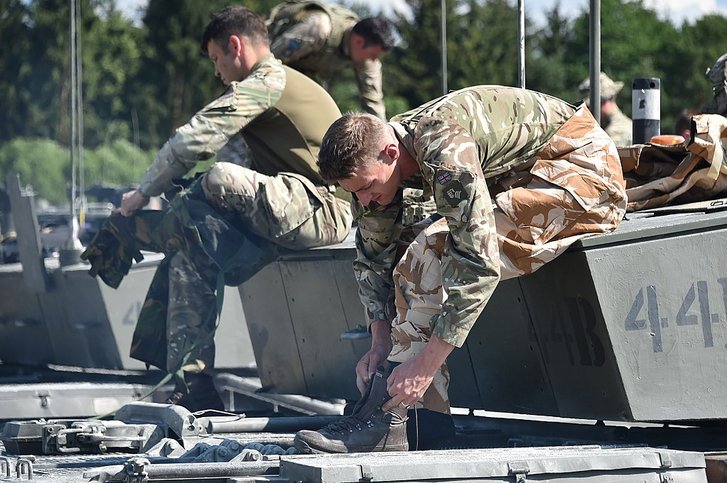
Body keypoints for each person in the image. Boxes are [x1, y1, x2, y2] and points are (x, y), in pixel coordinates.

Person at [293, 85, 628, 454]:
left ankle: (398, 414)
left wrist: (425, 364)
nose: (363, 199)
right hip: (527, 174)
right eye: (353, 193)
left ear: (391, 153)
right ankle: (423, 423)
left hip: (583, 172)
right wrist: (380, 339)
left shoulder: (442, 146)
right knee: (409, 248)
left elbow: (479, 261)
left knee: (431, 249)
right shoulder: (377, 165)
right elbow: (375, 257)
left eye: (368, 187)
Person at [114, 5, 352, 411]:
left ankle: (158, 225)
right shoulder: (266, 93)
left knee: (217, 179)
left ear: (235, 47)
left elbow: (198, 137)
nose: (216, 71)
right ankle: (192, 381)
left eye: (215, 59)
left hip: (326, 209)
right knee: (191, 245)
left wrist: (141, 194)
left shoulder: (268, 80)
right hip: (290, 209)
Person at [266, 0, 398, 120]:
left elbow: (373, 101)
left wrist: (383, 136)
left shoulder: (367, 55)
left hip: (300, 71)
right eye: (373, 56)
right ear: (359, 41)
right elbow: (268, 62)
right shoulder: (319, 28)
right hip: (270, 57)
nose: (374, 61)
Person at [579, 72, 633, 146]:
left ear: (610, 98)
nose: (589, 110)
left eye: (596, 104)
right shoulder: (597, 129)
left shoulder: (620, 131)